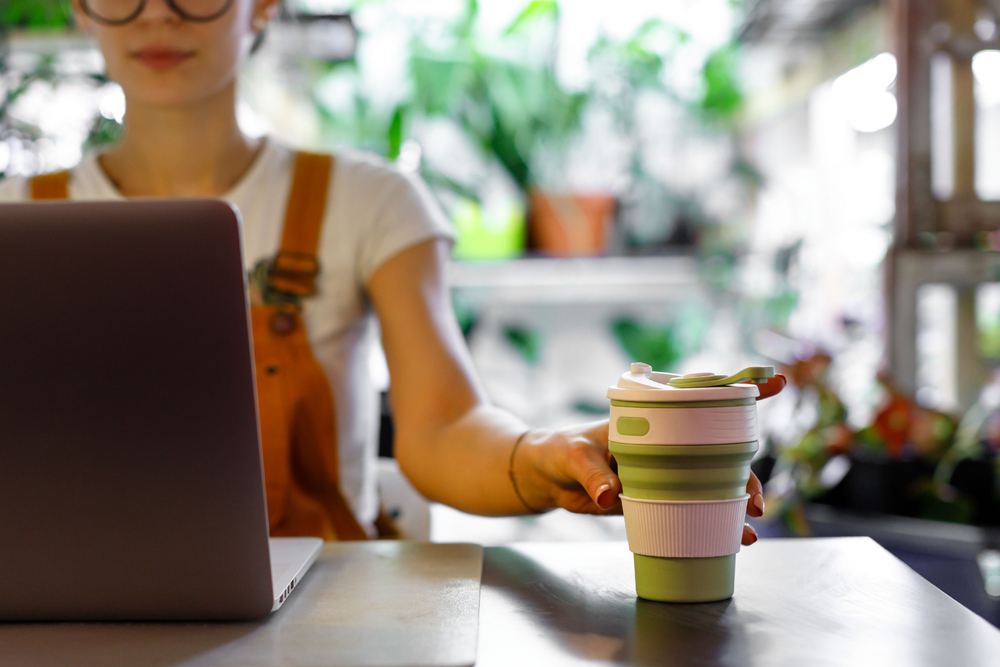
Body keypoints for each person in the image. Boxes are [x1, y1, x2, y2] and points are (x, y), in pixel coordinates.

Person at [0, 0, 765, 542]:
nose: (156, 13)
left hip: (324, 616)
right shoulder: (16, 215)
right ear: (81, 6)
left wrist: (537, 457)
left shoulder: (368, 201)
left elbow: (441, 426)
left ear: (262, 5)